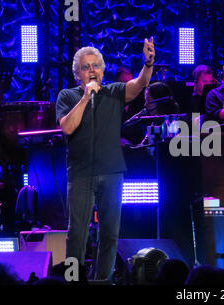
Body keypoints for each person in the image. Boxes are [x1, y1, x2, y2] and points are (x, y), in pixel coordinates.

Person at [55, 37, 155, 281]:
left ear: (103, 69)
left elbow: (139, 84)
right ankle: (73, 279)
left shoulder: (114, 91)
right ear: (77, 73)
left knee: (110, 233)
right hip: (80, 173)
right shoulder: (67, 96)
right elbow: (67, 128)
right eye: (86, 67)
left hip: (112, 171)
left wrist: (148, 63)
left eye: (96, 65)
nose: (92, 70)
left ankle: (103, 279)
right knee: (77, 233)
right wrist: (85, 97)